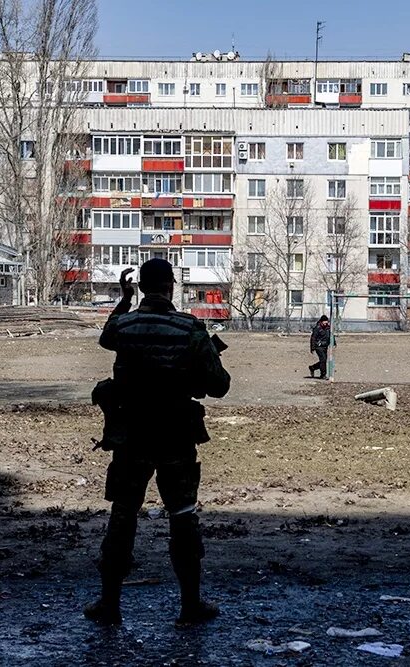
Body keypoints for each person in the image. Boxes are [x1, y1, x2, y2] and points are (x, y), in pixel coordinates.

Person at [84, 259, 231, 628]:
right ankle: (189, 606)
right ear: (170, 286)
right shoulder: (189, 328)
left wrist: (124, 300)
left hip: (130, 438)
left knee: (122, 516)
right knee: (182, 516)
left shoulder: (124, 324)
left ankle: (110, 605)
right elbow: (220, 385)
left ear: (142, 287)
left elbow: (105, 337)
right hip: (175, 438)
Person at [308, 315, 331, 379]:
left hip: (325, 346)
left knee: (323, 361)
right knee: (323, 360)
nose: (326, 323)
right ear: (321, 322)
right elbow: (313, 338)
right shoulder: (317, 328)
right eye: (324, 322)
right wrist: (312, 348)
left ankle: (312, 367)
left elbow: (331, 335)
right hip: (318, 347)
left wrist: (333, 342)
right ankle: (323, 375)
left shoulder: (328, 328)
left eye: (327, 322)